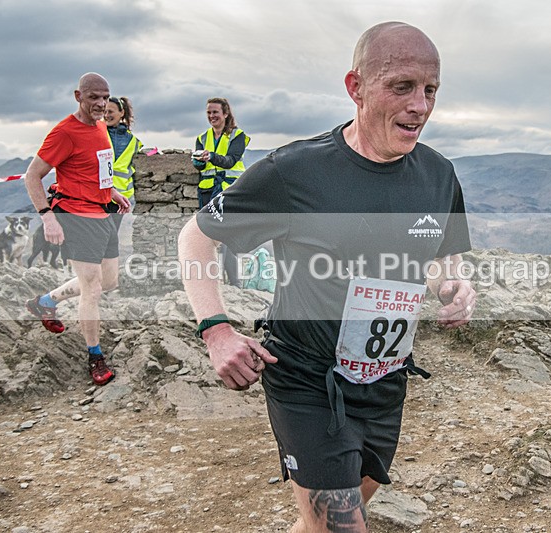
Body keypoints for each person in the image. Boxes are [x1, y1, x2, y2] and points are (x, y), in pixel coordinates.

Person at [178, 22, 476, 532]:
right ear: (355, 87)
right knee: (342, 525)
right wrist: (216, 329)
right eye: (402, 86)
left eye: (431, 90)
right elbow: (196, 236)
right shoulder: (294, 171)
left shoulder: (438, 174)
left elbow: (439, 258)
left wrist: (453, 285)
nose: (420, 106)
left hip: (384, 380)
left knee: (339, 513)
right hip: (307, 380)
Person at [23, 72, 130, 387]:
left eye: (105, 97)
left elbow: (95, 169)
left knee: (109, 281)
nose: (101, 103)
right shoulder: (64, 133)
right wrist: (47, 217)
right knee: (92, 288)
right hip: (75, 216)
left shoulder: (100, 126)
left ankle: (46, 302)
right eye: (93, 97)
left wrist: (112, 193)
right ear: (78, 96)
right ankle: (95, 356)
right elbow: (32, 176)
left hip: (103, 213)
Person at [191, 97, 250, 286]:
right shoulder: (202, 138)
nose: (211, 116)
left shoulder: (238, 136)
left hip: (229, 191)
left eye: (215, 112)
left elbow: (231, 161)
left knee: (228, 236)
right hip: (207, 191)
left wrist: (212, 156)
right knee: (208, 236)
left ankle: (234, 282)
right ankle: (212, 280)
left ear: (225, 113)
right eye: (208, 112)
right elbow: (200, 167)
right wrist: (198, 161)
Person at [104, 96, 142, 231]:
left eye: (110, 112)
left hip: (119, 198)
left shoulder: (133, 141)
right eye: (104, 111)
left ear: (121, 113)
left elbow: (140, 158)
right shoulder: (97, 133)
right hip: (98, 194)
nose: (106, 115)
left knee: (111, 236)